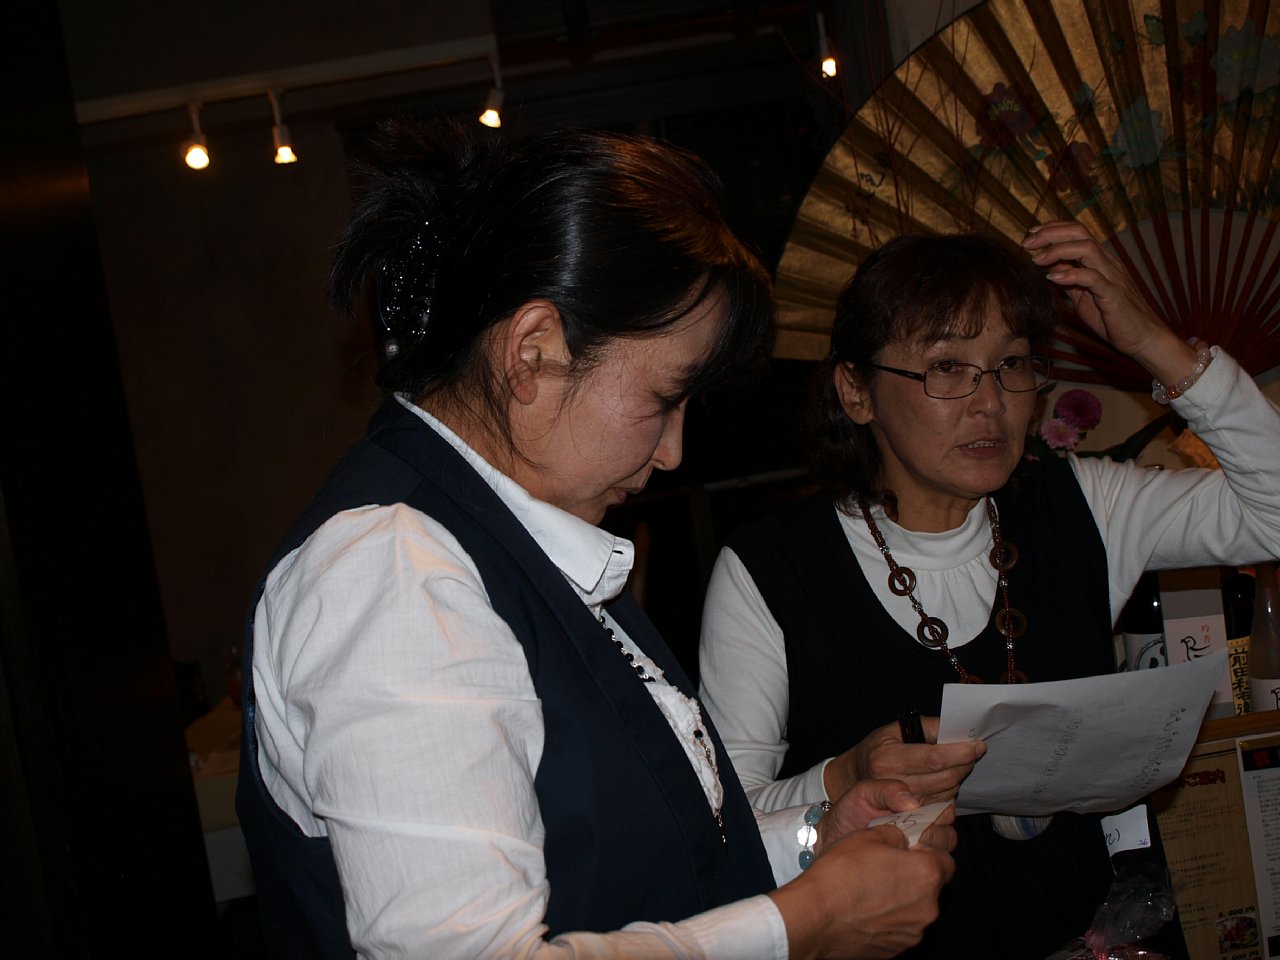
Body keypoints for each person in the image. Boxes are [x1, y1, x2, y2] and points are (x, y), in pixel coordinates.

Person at [236, 120, 957, 960]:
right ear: (534, 352)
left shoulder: (514, 540)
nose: (674, 451)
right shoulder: (393, 572)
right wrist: (805, 923)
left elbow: (625, 868)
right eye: (664, 398)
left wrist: (815, 839)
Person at [699, 223, 1280, 960]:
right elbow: (725, 825)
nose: (990, 403)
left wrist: (1153, 342)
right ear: (856, 391)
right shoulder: (770, 569)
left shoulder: (1082, 506)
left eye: (1011, 364)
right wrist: (843, 777)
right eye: (946, 367)